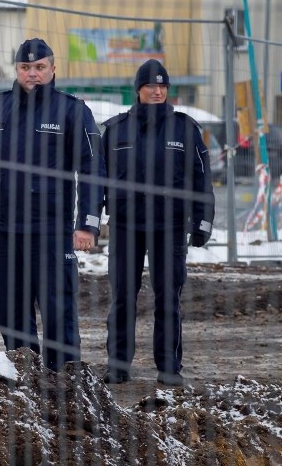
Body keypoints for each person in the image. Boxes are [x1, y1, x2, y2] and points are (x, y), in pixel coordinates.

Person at [0, 38, 105, 372]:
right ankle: (25, 378)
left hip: (52, 231)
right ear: (16, 70)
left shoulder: (73, 112)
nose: (32, 74)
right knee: (11, 309)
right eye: (25, 68)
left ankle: (66, 383)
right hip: (6, 231)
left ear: (52, 68)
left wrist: (87, 224)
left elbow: (92, 171)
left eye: (39, 67)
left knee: (57, 308)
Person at [101, 59, 215, 387]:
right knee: (123, 295)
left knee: (168, 296)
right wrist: (92, 220)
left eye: (162, 86)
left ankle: (168, 368)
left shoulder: (186, 128)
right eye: (150, 85)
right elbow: (98, 179)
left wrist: (203, 220)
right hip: (125, 226)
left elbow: (201, 178)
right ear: (138, 89)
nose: (157, 90)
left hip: (170, 225)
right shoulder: (115, 129)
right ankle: (118, 365)